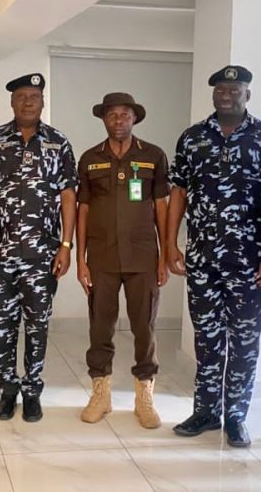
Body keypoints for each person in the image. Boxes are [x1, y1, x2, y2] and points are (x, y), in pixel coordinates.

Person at [166, 65, 261, 447]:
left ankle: (236, 417)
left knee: (244, 340)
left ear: (247, 95)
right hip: (202, 258)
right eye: (221, 89)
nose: (227, 95)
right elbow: (178, 193)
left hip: (248, 261)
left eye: (234, 90)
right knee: (206, 339)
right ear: (213, 95)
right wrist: (170, 243)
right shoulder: (192, 138)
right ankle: (206, 412)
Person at [0, 73, 77, 422]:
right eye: (21, 96)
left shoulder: (58, 142)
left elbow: (68, 196)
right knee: (2, 326)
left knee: (37, 326)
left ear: (43, 102)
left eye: (34, 96)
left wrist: (66, 245)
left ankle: (32, 391)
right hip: (0, 255)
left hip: (43, 256)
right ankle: (7, 389)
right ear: (12, 102)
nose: (28, 102)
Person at [76, 92, 168, 429]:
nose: (118, 120)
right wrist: (80, 258)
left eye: (124, 114)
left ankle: (144, 396)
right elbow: (83, 209)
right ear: (104, 119)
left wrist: (165, 253)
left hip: (143, 256)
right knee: (100, 326)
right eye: (112, 115)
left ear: (134, 118)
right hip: (101, 256)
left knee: (144, 327)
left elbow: (161, 207)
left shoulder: (153, 156)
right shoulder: (90, 159)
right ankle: (101, 394)